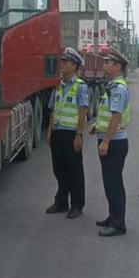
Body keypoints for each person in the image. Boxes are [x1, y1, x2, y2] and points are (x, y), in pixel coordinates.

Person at [45, 47, 89, 219]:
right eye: (62, 61)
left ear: (74, 65)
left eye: (65, 62)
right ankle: (61, 201)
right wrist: (49, 131)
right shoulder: (58, 85)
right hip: (58, 132)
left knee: (74, 170)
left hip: (71, 134)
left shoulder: (80, 86)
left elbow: (82, 111)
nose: (61, 65)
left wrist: (79, 135)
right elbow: (53, 109)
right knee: (59, 168)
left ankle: (77, 204)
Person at [93, 47, 131, 237]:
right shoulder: (111, 86)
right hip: (109, 139)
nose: (104, 65)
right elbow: (107, 115)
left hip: (114, 143)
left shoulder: (118, 88)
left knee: (114, 183)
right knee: (109, 183)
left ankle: (118, 224)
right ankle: (113, 216)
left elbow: (116, 116)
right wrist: (97, 127)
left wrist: (105, 141)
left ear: (117, 66)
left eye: (108, 63)